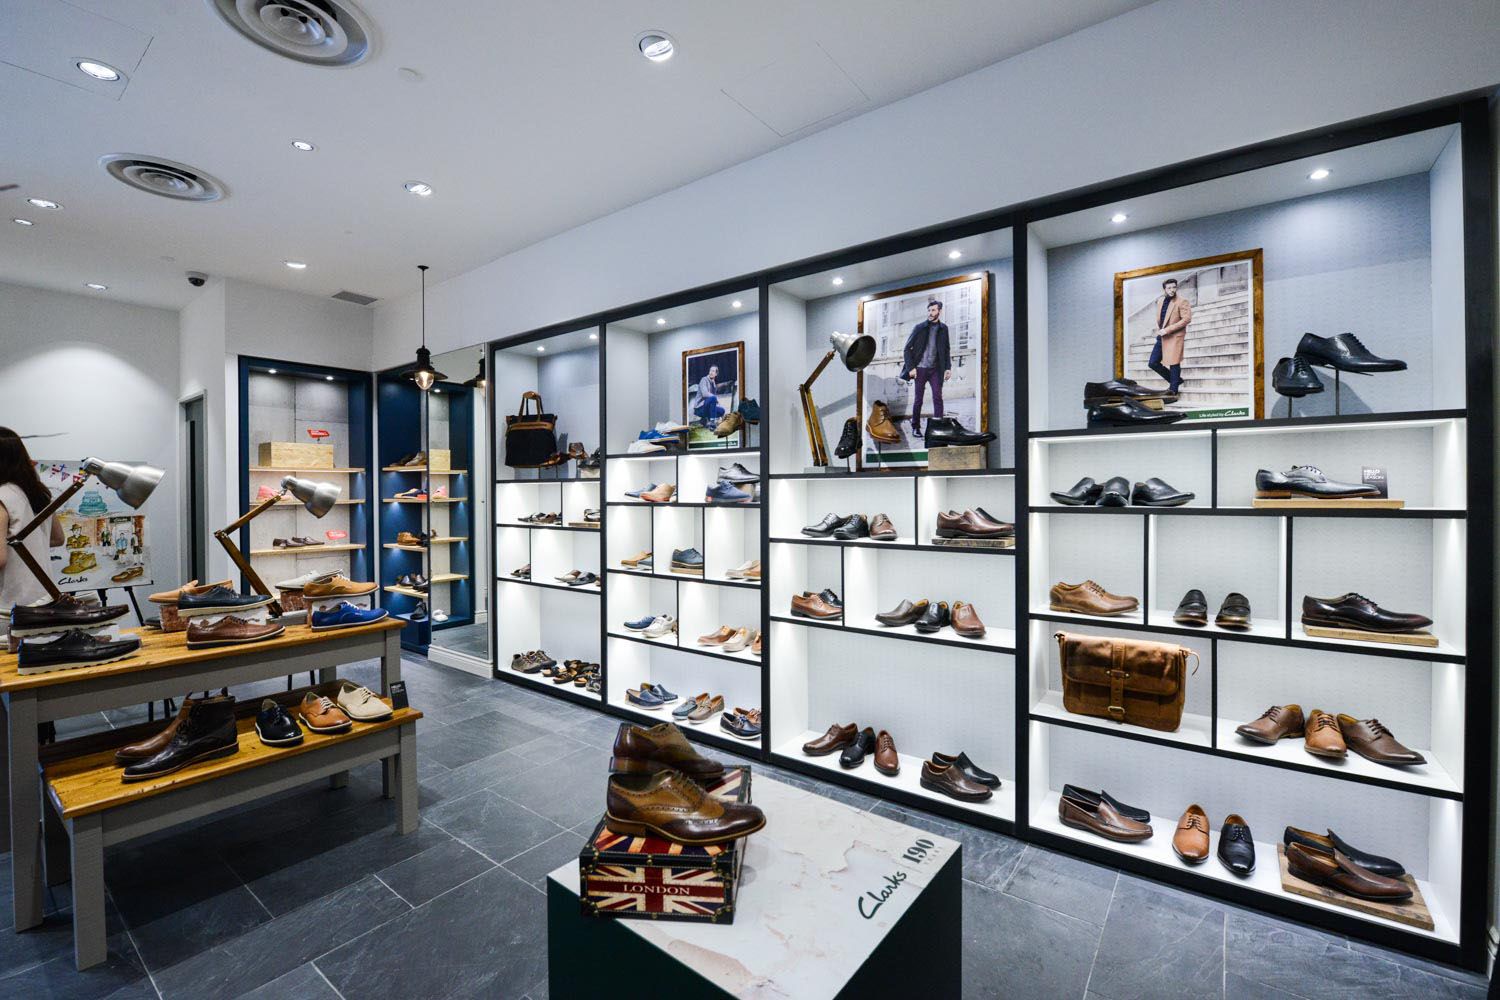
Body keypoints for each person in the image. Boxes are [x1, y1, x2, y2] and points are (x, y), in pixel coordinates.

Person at [0, 428, 63, 613]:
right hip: (45, 599)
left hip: (10, 607)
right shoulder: (37, 492)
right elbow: (58, 538)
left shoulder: (2, 497)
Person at [901, 299, 951, 435]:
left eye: (933, 310)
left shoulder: (944, 329)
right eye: (929, 310)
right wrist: (911, 368)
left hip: (936, 370)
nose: (930, 313)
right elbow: (907, 349)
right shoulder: (919, 328)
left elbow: (946, 349)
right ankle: (915, 427)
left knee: (938, 398)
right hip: (920, 369)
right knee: (918, 400)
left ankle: (938, 428)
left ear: (939, 311)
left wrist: (948, 368)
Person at [1147, 277, 1192, 397]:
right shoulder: (1160, 301)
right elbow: (1161, 318)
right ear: (1164, 289)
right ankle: (1176, 380)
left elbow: (1186, 319)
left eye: (1174, 287)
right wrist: (1160, 329)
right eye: (1169, 288)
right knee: (1153, 363)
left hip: (1174, 335)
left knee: (1174, 362)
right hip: (1162, 336)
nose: (1172, 290)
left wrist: (1167, 330)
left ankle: (1173, 389)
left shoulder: (1182, 301)